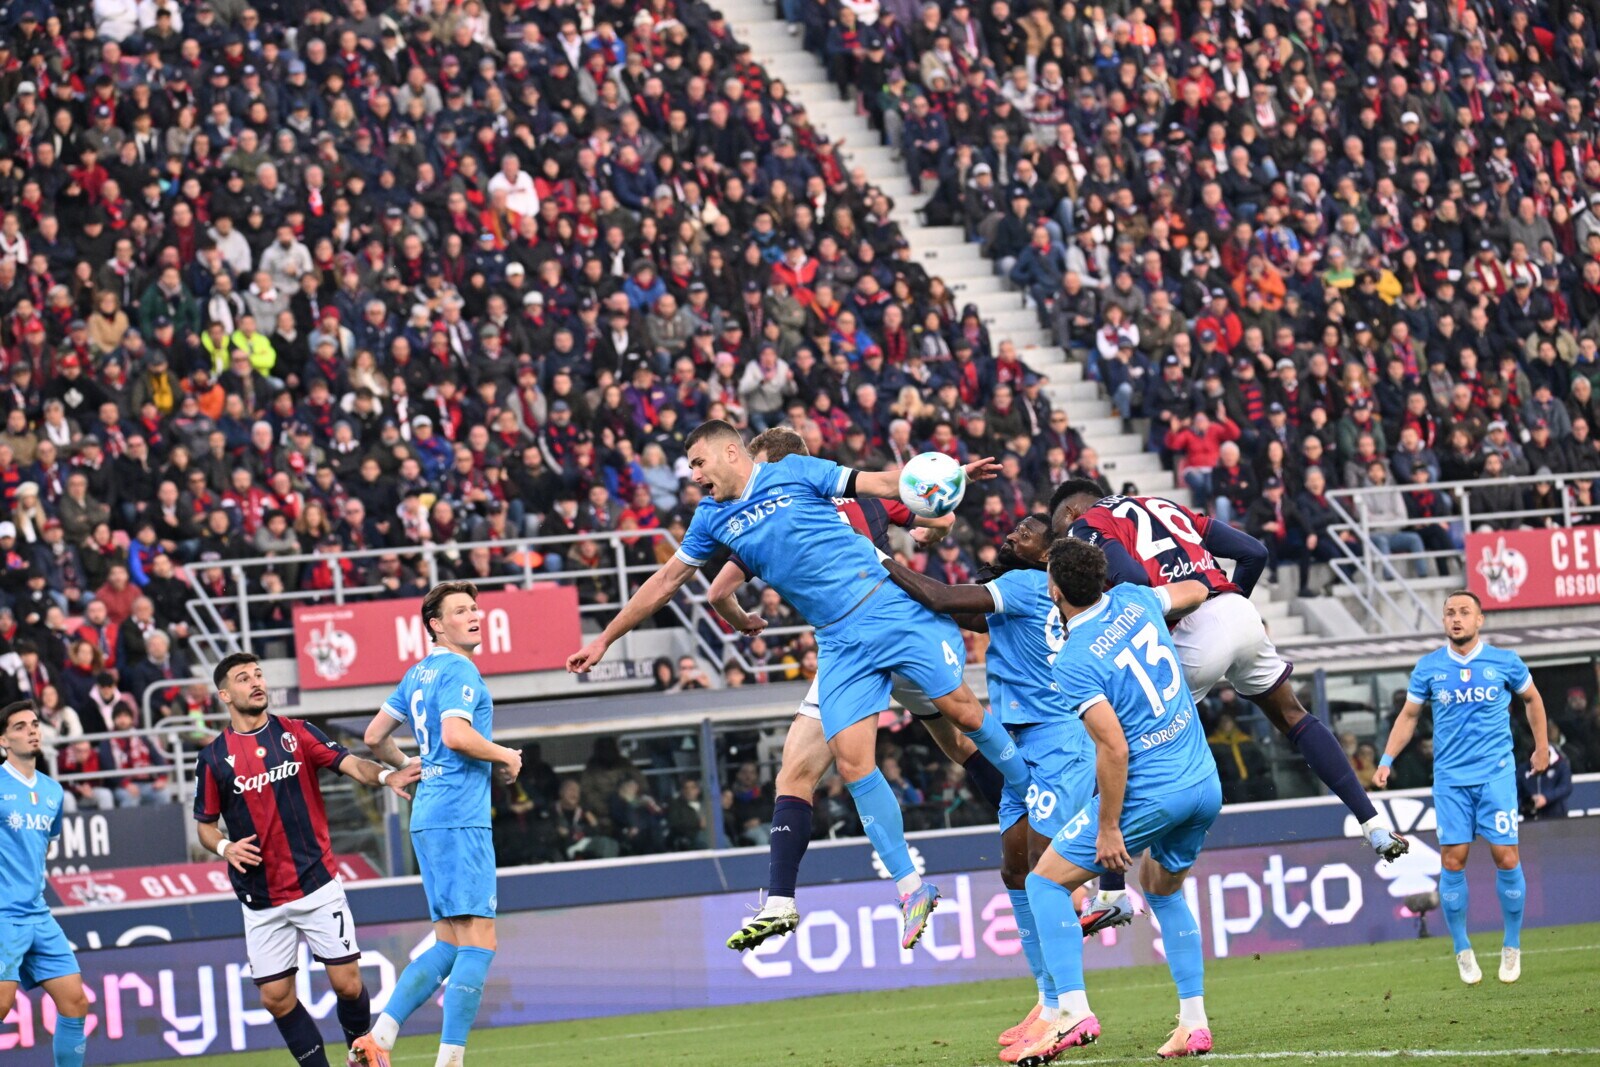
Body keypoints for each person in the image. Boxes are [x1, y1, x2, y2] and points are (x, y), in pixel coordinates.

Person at [569, 419, 1034, 950]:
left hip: (890, 609)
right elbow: (666, 582)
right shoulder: (711, 518)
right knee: (854, 764)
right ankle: (911, 888)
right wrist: (604, 638)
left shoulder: (793, 471)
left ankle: (1033, 794)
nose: (694, 475)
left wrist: (950, 476)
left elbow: (885, 483)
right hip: (839, 642)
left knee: (965, 716)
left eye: (699, 463)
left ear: (731, 452)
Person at [711, 427, 1005, 952]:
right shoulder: (860, 500)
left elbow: (719, 590)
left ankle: (787, 897)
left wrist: (743, 621)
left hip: (850, 645)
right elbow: (937, 516)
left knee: (799, 774)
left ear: (773, 466)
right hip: (899, 626)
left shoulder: (767, 516)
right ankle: (1033, 818)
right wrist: (932, 531)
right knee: (961, 741)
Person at [1050, 480, 1409, 880]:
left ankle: (1112, 890)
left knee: (1118, 741)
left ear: (1071, 513)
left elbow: (1133, 579)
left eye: (1060, 532)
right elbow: (1254, 552)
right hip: (1237, 610)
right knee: (1294, 716)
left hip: (1187, 630)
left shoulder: (1086, 525)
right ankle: (1372, 823)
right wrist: (1230, 607)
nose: (1063, 544)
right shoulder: (1158, 503)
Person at [879, 515, 1130, 1059]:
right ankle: (1046, 1002)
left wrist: (877, 558)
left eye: (1026, 533)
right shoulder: (1028, 591)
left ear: (1046, 557)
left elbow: (943, 598)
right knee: (1015, 869)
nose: (1013, 535)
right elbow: (962, 610)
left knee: (1043, 873)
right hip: (1020, 739)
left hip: (1056, 738)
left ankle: (1070, 1006)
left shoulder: (1023, 584)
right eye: (1015, 528)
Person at [1010, 539, 1221, 1064]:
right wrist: (1200, 586)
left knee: (1044, 883)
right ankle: (1194, 1024)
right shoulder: (1135, 598)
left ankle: (1072, 1011)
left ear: (1054, 590)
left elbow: (1114, 748)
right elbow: (1196, 589)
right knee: (1162, 889)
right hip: (1203, 783)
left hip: (1154, 791)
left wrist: (1108, 828)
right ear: (1102, 578)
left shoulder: (1074, 659)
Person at [195, 653, 420, 1067]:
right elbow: (205, 827)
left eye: (259, 674)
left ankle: (362, 1057)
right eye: (244, 678)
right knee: (275, 998)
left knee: (348, 985)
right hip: (260, 897)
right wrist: (225, 847)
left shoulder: (296, 733)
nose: (256, 682)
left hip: (315, 883)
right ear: (224, 695)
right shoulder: (213, 758)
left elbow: (352, 764)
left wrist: (386, 775)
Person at [357, 582, 524, 1067]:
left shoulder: (418, 673)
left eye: (475, 608)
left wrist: (408, 766)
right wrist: (505, 755)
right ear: (436, 625)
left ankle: (378, 1040)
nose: (474, 615)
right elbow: (455, 734)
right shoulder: (458, 669)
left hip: (429, 815)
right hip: (458, 816)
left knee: (450, 944)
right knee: (480, 941)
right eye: (461, 611)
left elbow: (374, 736)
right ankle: (450, 1061)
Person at [1374, 591, 1548, 987]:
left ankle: (1512, 944)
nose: (1456, 618)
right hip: (1451, 780)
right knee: (1453, 860)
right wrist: (1386, 759)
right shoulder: (1429, 668)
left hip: (1496, 775)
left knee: (1506, 856)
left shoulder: (1505, 661)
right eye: (1450, 612)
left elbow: (1533, 700)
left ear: (1479, 620)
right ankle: (1462, 948)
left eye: (1464, 612)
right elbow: (1409, 716)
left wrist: (1541, 747)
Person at [0, 700, 90, 1067]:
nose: (31, 731)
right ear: (3, 740)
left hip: (37, 914)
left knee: (75, 1002)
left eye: (34, 724)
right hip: (3, 916)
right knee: (2, 1005)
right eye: (20, 726)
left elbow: (44, 846)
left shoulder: (53, 791)